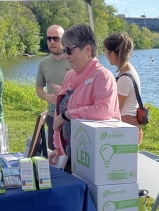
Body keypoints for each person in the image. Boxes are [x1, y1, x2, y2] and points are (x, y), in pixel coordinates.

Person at [48, 24, 120, 171]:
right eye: (64, 50)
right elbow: (58, 117)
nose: (66, 56)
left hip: (94, 162)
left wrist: (68, 114)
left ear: (87, 50)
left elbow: (102, 111)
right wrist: (57, 148)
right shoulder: (69, 75)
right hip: (68, 157)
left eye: (69, 50)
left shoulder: (103, 77)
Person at [103, 33, 144, 145]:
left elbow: (116, 108)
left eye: (105, 51)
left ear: (112, 53)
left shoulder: (125, 79)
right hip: (130, 122)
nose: (105, 54)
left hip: (127, 122)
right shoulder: (127, 71)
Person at [35, 24, 69, 150]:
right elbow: (39, 89)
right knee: (54, 153)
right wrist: (47, 96)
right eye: (49, 39)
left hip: (72, 116)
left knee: (73, 157)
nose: (52, 42)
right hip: (52, 116)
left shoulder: (72, 59)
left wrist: (64, 92)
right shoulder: (43, 63)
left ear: (64, 39)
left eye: (56, 38)